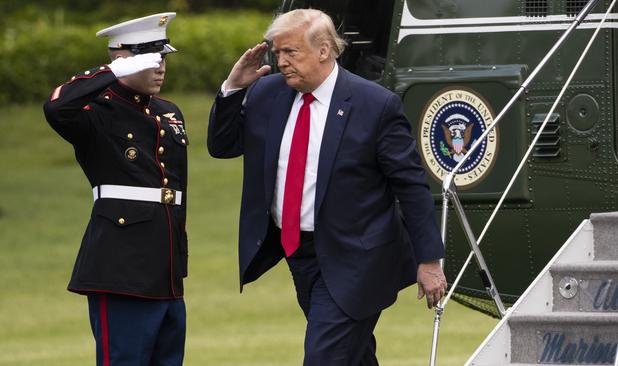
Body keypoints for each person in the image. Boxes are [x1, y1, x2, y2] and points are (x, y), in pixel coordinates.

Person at [208, 8, 448, 365]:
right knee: (353, 355)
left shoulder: (374, 104)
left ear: (324, 50)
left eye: (291, 52)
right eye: (277, 52)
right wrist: (233, 89)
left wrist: (429, 259)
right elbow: (222, 146)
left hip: (359, 256)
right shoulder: (267, 93)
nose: (281, 61)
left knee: (325, 356)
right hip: (299, 252)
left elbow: (411, 185)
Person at [43, 12, 188, 366]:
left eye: (163, 57)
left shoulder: (168, 112)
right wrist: (113, 71)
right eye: (150, 59)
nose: (160, 67)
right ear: (124, 60)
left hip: (165, 266)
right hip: (120, 267)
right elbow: (57, 106)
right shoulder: (95, 111)